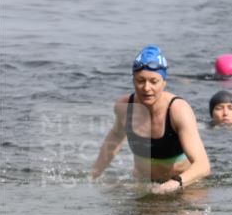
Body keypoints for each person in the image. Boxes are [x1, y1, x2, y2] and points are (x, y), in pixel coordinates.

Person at [90, 45, 211, 194]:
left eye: (154, 81)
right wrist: (93, 175)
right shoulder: (125, 107)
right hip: (144, 185)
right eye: (140, 80)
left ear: (164, 82)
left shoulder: (178, 110)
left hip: (183, 186)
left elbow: (203, 166)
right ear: (133, 80)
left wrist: (173, 184)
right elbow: (114, 140)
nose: (146, 88)